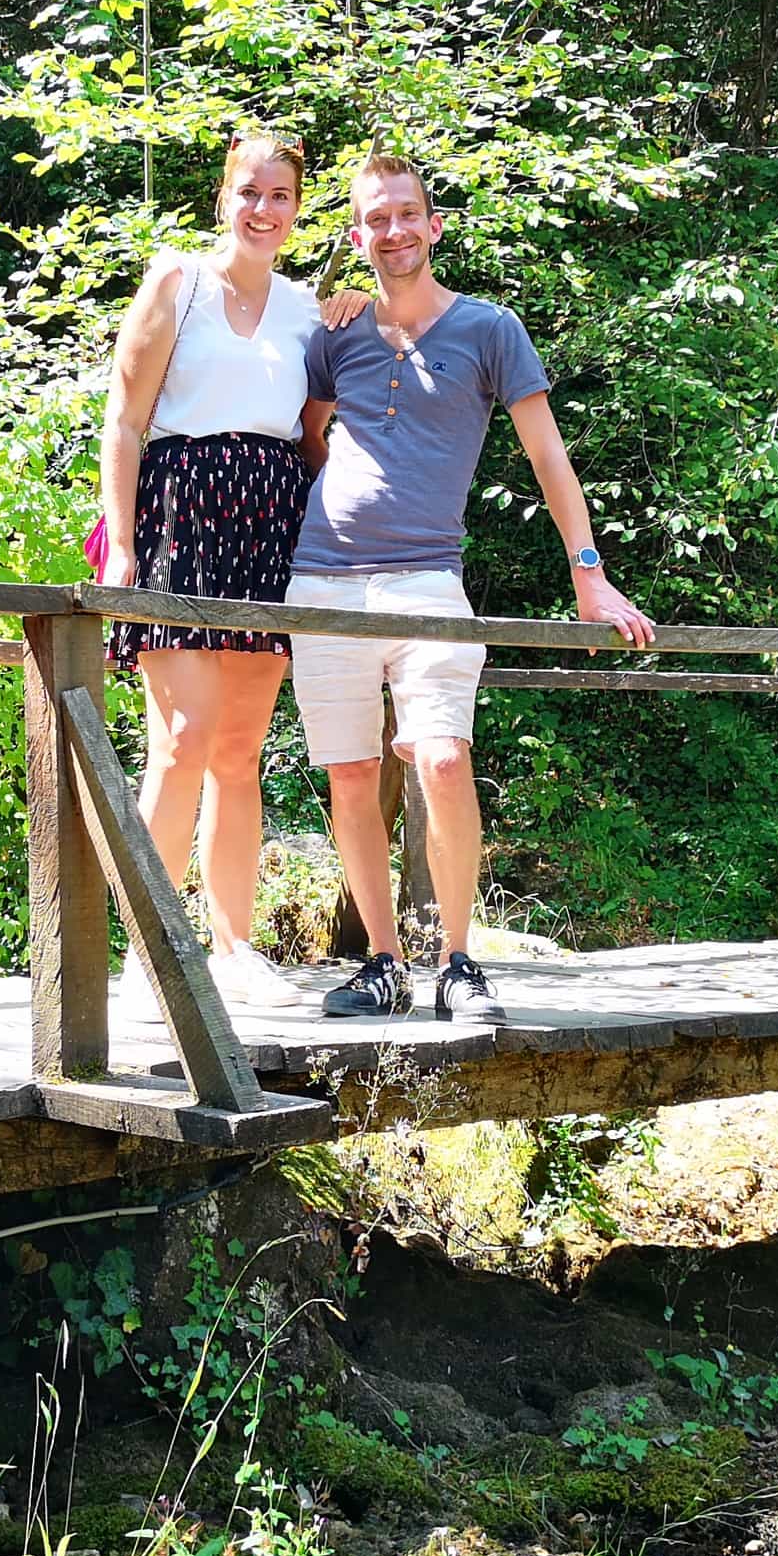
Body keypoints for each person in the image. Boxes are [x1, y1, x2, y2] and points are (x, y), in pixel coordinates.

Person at [289, 153, 655, 1022]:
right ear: (356, 234)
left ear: (434, 225)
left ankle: (458, 959)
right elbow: (306, 440)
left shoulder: (489, 329)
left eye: (406, 214)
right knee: (348, 774)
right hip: (321, 581)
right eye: (375, 219)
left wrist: (590, 578)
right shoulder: (332, 332)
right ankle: (383, 962)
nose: (393, 230)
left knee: (443, 759)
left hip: (427, 579)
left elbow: (547, 455)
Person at [98, 131, 342, 1009]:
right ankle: (153, 955)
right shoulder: (176, 281)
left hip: (271, 520)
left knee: (240, 752)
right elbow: (124, 422)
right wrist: (120, 543)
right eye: (247, 192)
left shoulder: (308, 309)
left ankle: (234, 949)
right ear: (222, 198)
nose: (262, 210)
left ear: (297, 206)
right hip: (180, 514)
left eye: (278, 195)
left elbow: (316, 437)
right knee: (180, 743)